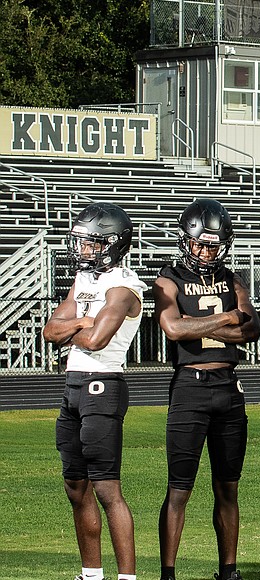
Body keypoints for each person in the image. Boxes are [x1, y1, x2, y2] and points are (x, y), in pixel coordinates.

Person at [153, 198, 260, 580]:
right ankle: (168, 573)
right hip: (190, 389)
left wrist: (202, 323)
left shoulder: (233, 279)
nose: (204, 251)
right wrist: (226, 318)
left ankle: (228, 571)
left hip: (229, 388)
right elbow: (173, 329)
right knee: (180, 488)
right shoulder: (168, 279)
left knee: (228, 487)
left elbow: (252, 328)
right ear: (186, 241)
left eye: (212, 245)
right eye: (198, 244)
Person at [43, 202, 147, 580]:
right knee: (75, 485)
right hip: (73, 385)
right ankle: (91, 574)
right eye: (82, 243)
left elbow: (98, 339)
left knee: (107, 489)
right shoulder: (84, 281)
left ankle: (127, 578)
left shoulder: (123, 287)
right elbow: (50, 332)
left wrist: (80, 324)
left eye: (92, 244)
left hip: (103, 386)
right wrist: (84, 320)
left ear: (113, 244)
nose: (83, 250)